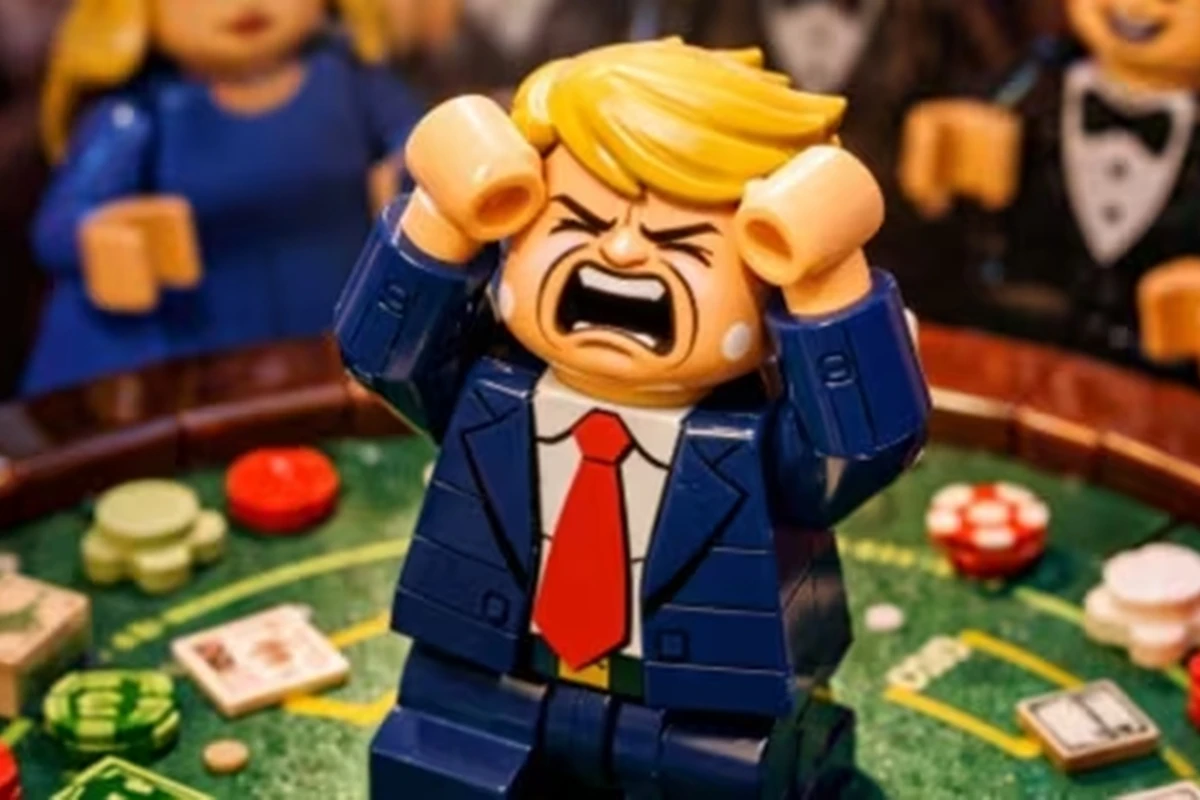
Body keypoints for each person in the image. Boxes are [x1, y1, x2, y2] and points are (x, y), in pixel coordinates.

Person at [336, 40, 930, 797]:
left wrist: (828, 276)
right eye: (575, 221)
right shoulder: (487, 396)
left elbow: (861, 447)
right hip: (486, 684)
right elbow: (382, 357)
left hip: (700, 719)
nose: (619, 251)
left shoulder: (747, 443)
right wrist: (442, 216)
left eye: (685, 244)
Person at [25, 0, 427, 395]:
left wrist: (417, 177)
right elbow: (60, 223)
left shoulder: (351, 82)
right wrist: (102, 235)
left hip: (345, 333)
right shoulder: (143, 114)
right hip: (206, 355)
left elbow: (419, 147)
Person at [900, 0, 1200, 373]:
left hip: (1152, 368)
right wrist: (947, 145)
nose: (1136, 6)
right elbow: (972, 119)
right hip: (1024, 334)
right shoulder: (1041, 76)